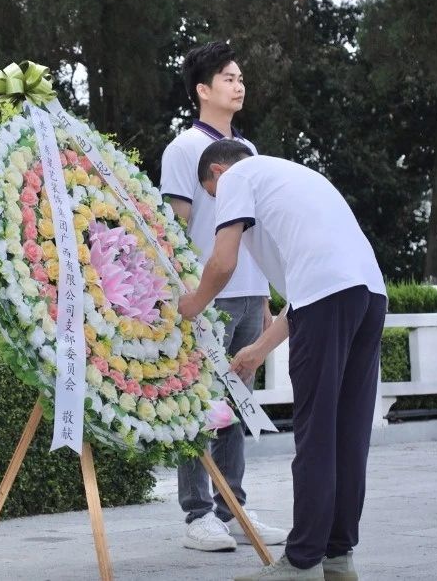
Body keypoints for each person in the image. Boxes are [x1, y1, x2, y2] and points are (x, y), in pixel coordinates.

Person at [178, 140, 387, 581]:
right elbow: (309, 295)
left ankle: (303, 561)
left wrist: (191, 305)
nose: (218, 204)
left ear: (217, 172)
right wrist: (258, 349)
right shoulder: (294, 176)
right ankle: (338, 557)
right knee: (348, 435)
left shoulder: (237, 176)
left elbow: (222, 262)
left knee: (316, 434)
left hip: (328, 299)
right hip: (370, 296)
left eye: (212, 196)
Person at [160, 42, 287, 553]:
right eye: (229, 78)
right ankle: (197, 514)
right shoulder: (183, 148)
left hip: (250, 292)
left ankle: (232, 506)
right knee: (197, 404)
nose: (239, 86)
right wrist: (183, 296)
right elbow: (175, 228)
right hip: (206, 297)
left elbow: (257, 230)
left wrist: (265, 297)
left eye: (241, 78)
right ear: (202, 89)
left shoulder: (248, 149)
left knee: (236, 403)